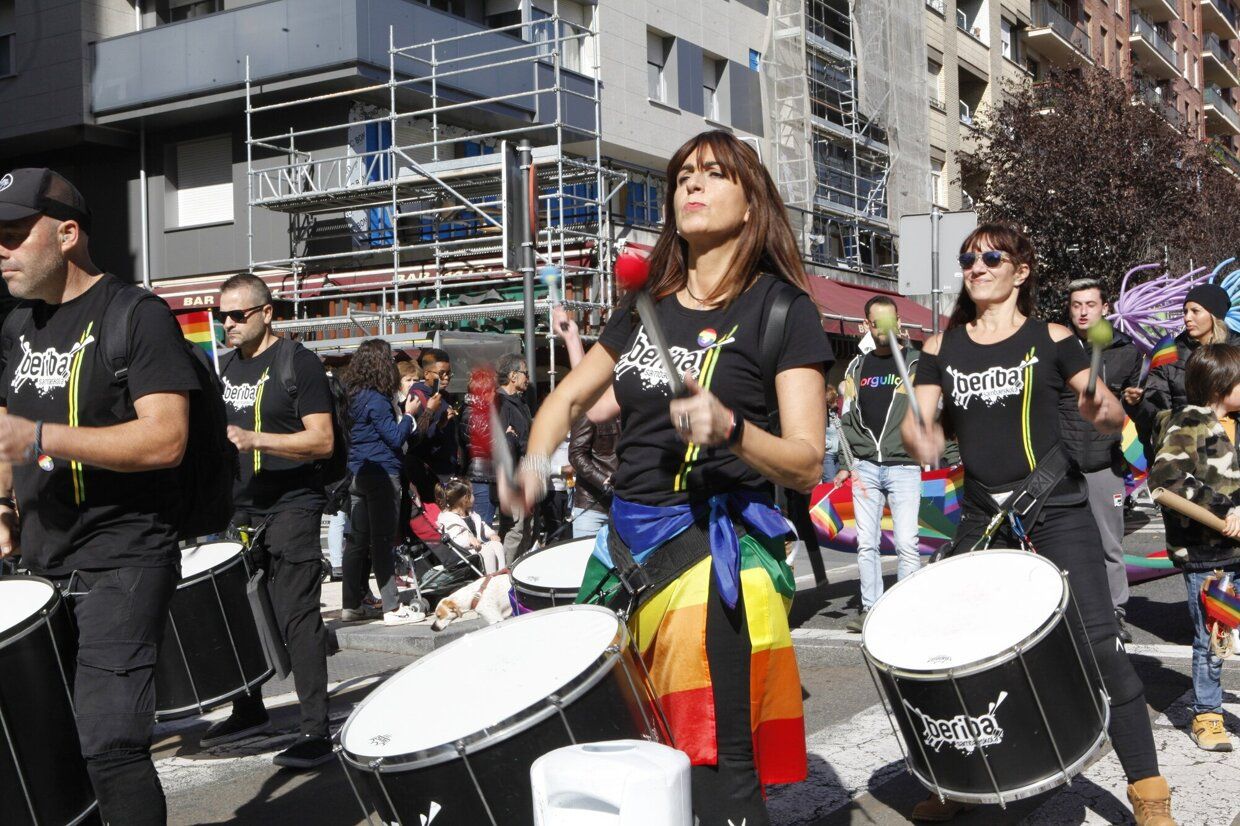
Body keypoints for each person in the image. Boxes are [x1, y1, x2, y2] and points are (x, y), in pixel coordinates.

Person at [506, 130, 831, 824]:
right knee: (629, 761)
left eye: (713, 174)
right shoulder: (643, 306)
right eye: (683, 175)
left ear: (751, 203)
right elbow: (567, 400)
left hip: (711, 558)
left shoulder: (782, 310)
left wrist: (731, 429)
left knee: (715, 771)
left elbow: (807, 461)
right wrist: (533, 464)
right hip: (623, 552)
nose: (692, 184)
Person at [902, 223, 1175, 825]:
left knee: (1099, 645)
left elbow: (1105, 411)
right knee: (952, 648)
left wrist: (1103, 408)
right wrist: (920, 434)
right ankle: (958, 779)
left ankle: (1149, 791)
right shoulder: (940, 347)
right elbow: (919, 421)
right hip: (983, 515)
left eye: (990, 256)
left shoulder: (1052, 338)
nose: (976, 266)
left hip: (1056, 509)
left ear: (1020, 271)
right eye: (968, 258)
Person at [0, 167, 197, 824]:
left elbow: (166, 438)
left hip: (124, 556)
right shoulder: (16, 327)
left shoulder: (136, 315)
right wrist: (3, 507)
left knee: (111, 744)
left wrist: (39, 438)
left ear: (66, 234)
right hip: (43, 560)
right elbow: (6, 434)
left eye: (13, 233)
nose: (1, 250)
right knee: (50, 748)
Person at [200, 273, 336, 767]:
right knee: (238, 612)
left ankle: (315, 730)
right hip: (239, 507)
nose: (228, 324)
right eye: (223, 316)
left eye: (238, 315)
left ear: (266, 313)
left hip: (292, 502)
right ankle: (249, 707)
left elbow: (322, 440)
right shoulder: (225, 368)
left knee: (296, 615)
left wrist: (256, 439)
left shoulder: (298, 362)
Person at [1149, 343, 1240, 753]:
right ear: (1220, 384)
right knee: (1212, 637)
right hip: (1209, 557)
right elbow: (1166, 478)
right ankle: (1207, 714)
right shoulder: (1190, 421)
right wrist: (1225, 511)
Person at [1060, 278, 1143, 643]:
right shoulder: (1057, 347)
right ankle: (1069, 614)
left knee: (1110, 544)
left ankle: (1115, 613)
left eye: (1090, 304)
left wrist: (1136, 401)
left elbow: (1136, 411)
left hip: (1105, 463)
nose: (1082, 312)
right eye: (1076, 305)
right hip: (1061, 465)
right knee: (1063, 545)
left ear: (1105, 308)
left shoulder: (1127, 351)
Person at [836, 296, 922, 633]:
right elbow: (845, 418)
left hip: (905, 465)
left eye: (890, 321)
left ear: (899, 321)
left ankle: (907, 610)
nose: (884, 329)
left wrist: (949, 455)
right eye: (877, 323)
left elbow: (935, 412)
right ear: (866, 326)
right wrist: (846, 461)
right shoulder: (855, 368)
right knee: (866, 544)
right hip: (865, 466)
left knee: (907, 543)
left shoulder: (916, 364)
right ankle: (871, 609)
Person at [342, 338, 423, 625]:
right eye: (389, 360)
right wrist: (409, 416)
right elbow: (395, 437)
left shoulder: (353, 396)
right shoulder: (377, 399)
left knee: (357, 541)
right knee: (382, 541)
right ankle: (392, 607)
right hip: (382, 474)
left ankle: (351, 605)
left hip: (357, 473)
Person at [1132, 281, 1239, 437]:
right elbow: (1156, 409)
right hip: (1184, 443)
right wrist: (1137, 403)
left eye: (1195, 311)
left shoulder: (1237, 350)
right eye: (1185, 311)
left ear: (1214, 315)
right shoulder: (1168, 352)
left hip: (1232, 443)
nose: (1187, 318)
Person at [407, 347, 461, 501]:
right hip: (429, 475)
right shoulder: (416, 398)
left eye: (449, 373)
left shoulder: (444, 396)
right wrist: (439, 425)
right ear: (426, 374)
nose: (446, 378)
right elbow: (415, 437)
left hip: (448, 469)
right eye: (441, 373)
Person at [497, 351, 534, 564]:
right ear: (513, 376)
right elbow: (502, 442)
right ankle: (505, 571)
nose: (528, 378)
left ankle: (521, 570)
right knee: (515, 528)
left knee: (527, 526)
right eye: (525, 374)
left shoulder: (521, 403)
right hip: (512, 476)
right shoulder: (500, 403)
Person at [435, 477, 504, 574]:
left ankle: (501, 573)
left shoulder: (471, 514)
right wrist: (469, 539)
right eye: (472, 494)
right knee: (488, 551)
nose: (474, 496)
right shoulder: (449, 519)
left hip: (477, 547)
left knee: (497, 545)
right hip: (465, 553)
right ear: (465, 499)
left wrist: (491, 534)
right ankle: (491, 577)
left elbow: (482, 526)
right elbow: (455, 538)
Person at [569, 414, 619, 539]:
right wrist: (603, 481)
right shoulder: (590, 411)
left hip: (623, 506)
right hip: (591, 505)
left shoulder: (631, 409)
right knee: (585, 551)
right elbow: (576, 454)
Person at [822, 383, 841, 481]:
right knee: (830, 482)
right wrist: (827, 444)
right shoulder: (820, 416)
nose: (836, 404)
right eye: (832, 402)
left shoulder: (836, 413)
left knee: (840, 482)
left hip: (839, 453)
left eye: (835, 400)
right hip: (828, 454)